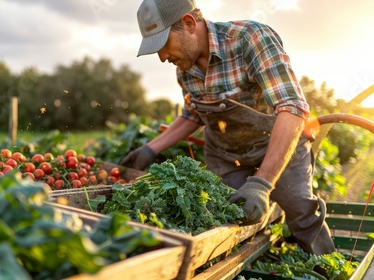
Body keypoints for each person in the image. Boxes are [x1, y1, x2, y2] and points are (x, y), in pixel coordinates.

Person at [121, 0, 335, 256]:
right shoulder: (185, 69)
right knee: (227, 216)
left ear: (189, 24)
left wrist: (262, 184)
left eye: (163, 44)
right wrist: (150, 148)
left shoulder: (250, 39)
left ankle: (327, 265)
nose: (162, 57)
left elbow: (292, 109)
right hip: (226, 155)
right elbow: (194, 115)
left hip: (277, 144)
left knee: (300, 209)